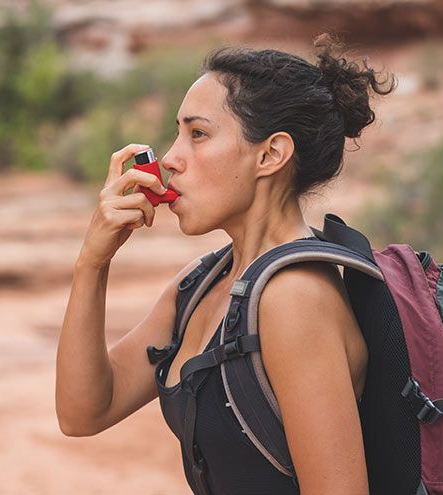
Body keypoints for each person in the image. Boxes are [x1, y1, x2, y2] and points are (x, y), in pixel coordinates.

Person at [56, 34, 394, 494]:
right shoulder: (200, 285)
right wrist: (92, 264)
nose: (171, 159)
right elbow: (83, 412)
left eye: (197, 134)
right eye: (178, 133)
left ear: (270, 154)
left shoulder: (294, 298)